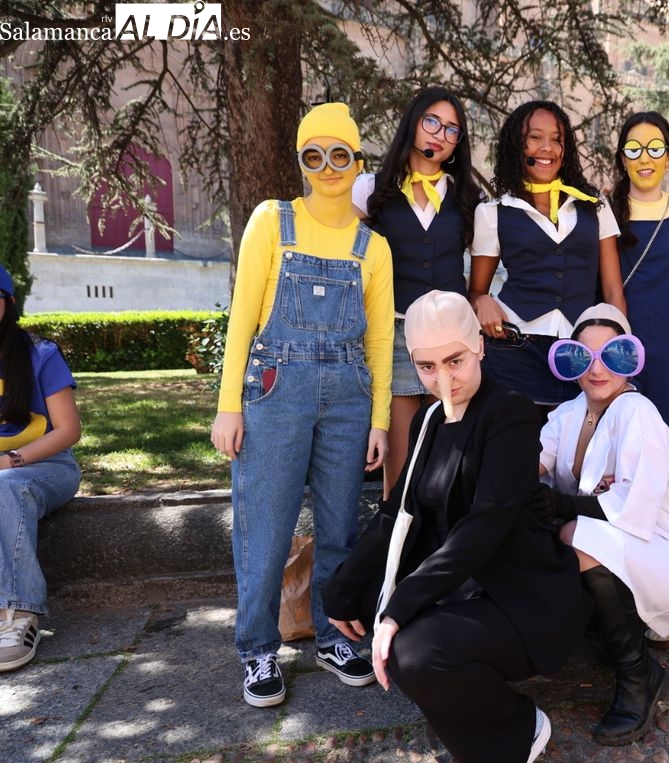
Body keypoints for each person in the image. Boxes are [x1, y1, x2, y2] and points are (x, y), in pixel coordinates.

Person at [323, 290, 586, 763]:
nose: (443, 380)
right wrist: (340, 589)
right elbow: (397, 511)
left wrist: (398, 609)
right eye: (426, 366)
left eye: (454, 361)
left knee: (413, 652)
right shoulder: (428, 421)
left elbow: (485, 524)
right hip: (459, 586)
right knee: (379, 618)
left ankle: (514, 738)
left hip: (519, 595)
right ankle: (472, 707)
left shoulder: (511, 414)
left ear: (479, 347)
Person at [211, 102, 394, 707]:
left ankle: (335, 637)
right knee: (265, 526)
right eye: (313, 155)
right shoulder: (272, 220)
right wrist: (229, 405)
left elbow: (379, 342)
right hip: (274, 391)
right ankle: (258, 649)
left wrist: (379, 420)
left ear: (357, 160)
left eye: (340, 154)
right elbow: (242, 317)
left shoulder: (373, 246)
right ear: (301, 162)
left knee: (340, 527)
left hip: (348, 397)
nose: (328, 166)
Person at [535, 303, 669, 745]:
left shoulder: (637, 411)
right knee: (550, 529)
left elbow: (631, 509)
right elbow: (533, 464)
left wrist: (560, 503)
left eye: (612, 356)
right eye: (583, 357)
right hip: (629, 549)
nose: (597, 370)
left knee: (576, 536)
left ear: (630, 359)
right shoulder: (567, 414)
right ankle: (609, 628)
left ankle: (639, 676)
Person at [353, 87, 481, 497]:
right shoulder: (370, 189)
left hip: (453, 339)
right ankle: (395, 532)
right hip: (396, 335)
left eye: (452, 130)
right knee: (401, 465)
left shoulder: (466, 196)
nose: (440, 135)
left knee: (450, 458)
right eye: (432, 122)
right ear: (413, 122)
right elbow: (346, 260)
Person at [469, 100, 625, 407]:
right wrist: (482, 300)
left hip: (582, 353)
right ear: (517, 145)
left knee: (581, 437)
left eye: (557, 139)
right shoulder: (492, 212)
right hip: (514, 349)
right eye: (535, 137)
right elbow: (476, 290)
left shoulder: (594, 205)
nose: (547, 148)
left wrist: (619, 349)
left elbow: (612, 290)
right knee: (519, 438)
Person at [0, 264, 81, 672]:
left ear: (8, 302)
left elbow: (68, 430)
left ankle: (19, 613)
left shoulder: (40, 354)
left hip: (49, 466)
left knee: (5, 486)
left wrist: (10, 460)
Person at [608, 111, 669, 453]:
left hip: (668, 344)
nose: (644, 158)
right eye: (634, 150)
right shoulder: (604, 210)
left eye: (655, 148)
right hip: (617, 344)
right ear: (623, 159)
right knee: (621, 445)